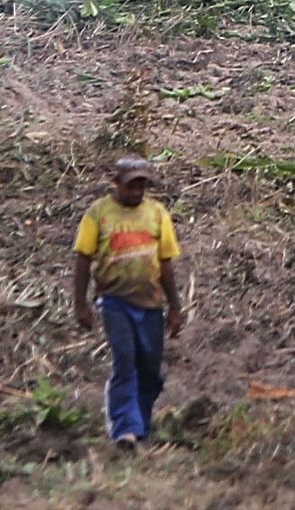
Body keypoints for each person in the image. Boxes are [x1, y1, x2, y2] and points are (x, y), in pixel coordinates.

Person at [70, 154, 185, 448]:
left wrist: (175, 307)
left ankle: (140, 426)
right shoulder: (99, 214)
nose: (136, 192)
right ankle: (124, 429)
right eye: (131, 186)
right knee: (125, 362)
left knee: (149, 370)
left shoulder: (157, 214)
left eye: (142, 186)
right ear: (115, 183)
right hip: (114, 301)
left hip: (150, 304)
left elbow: (166, 264)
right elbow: (83, 259)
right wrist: (80, 304)